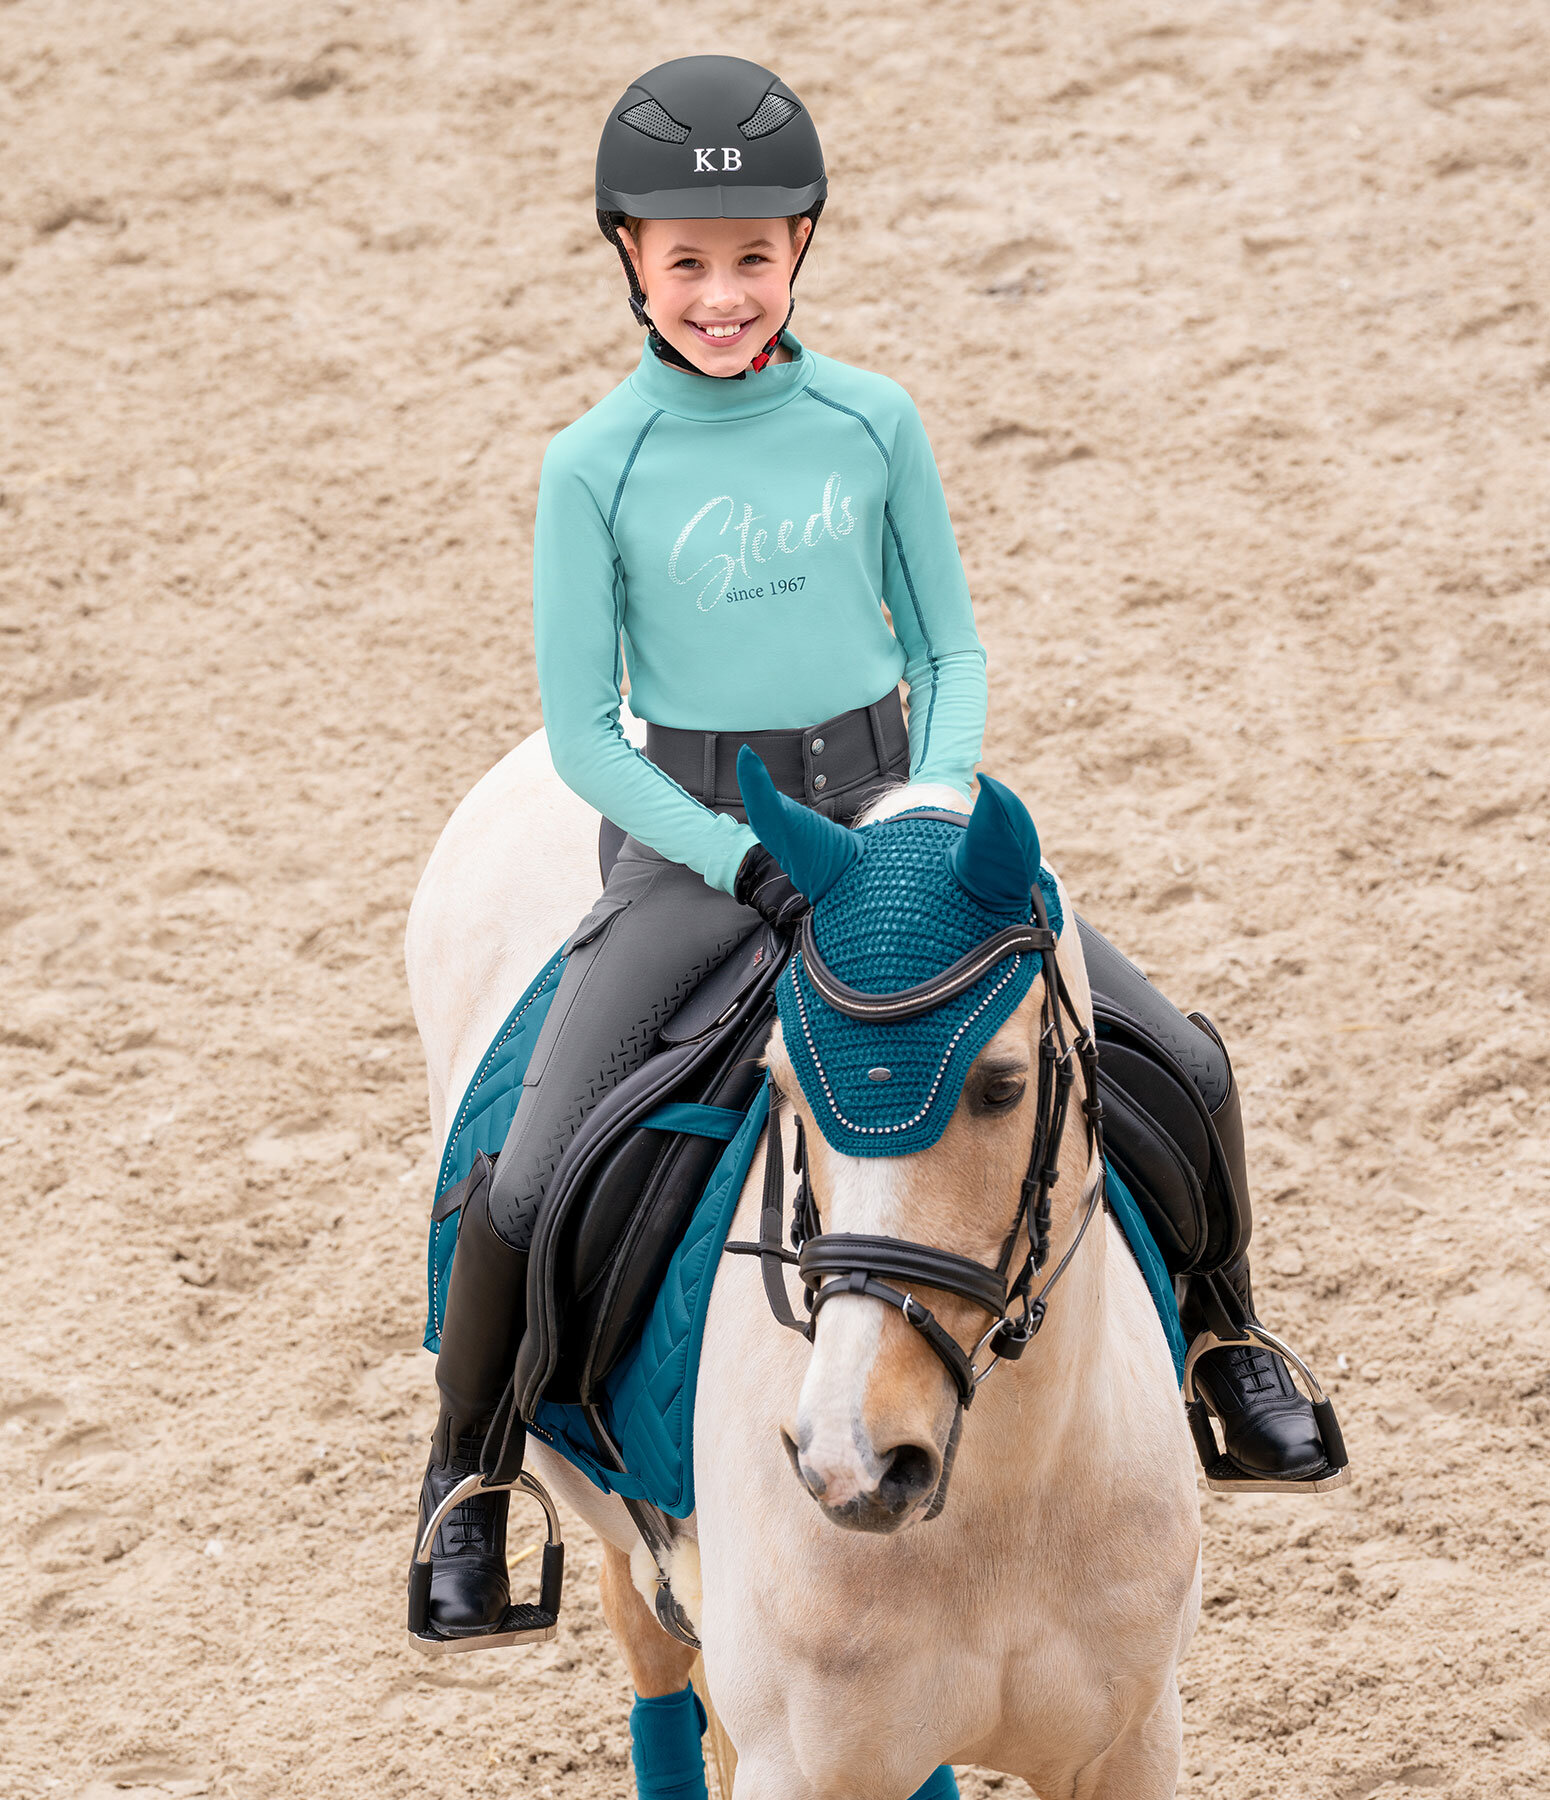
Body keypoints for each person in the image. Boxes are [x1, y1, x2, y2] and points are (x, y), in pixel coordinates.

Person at [416, 53, 1330, 1670]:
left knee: (1175, 1059)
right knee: (530, 1181)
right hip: (689, 860)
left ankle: (1226, 1344)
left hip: (900, 810)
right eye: (685, 260)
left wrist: (926, 809)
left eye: (753, 256)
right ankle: (468, 1484)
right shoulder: (591, 466)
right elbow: (581, 735)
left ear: (804, 249)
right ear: (626, 256)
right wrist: (746, 864)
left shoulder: (869, 421)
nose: (720, 292)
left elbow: (951, 651)